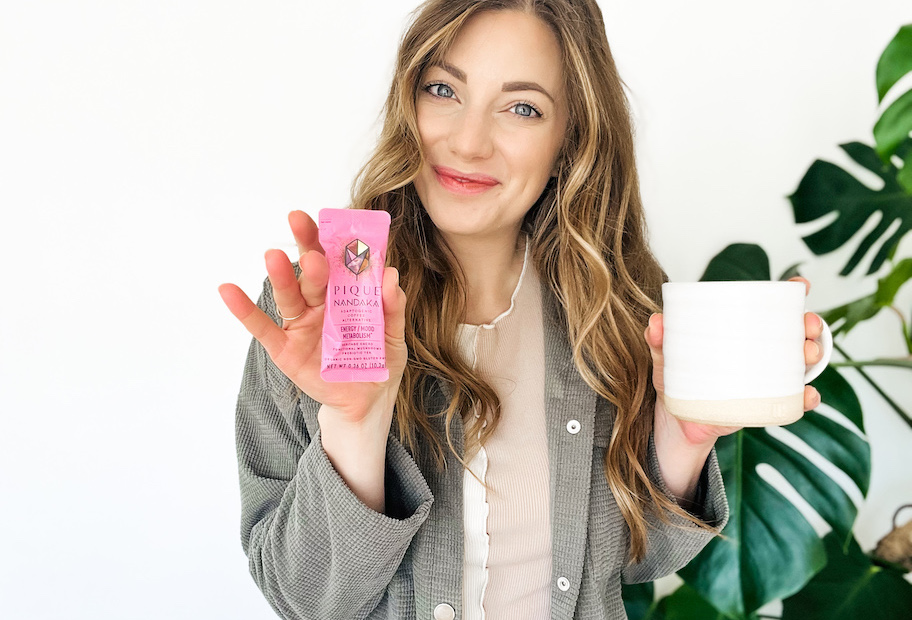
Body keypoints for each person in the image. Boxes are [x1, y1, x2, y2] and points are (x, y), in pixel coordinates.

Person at [218, 1, 827, 618]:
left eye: (521, 107)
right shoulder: (319, 310)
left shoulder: (615, 299)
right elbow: (301, 599)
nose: (467, 141)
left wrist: (685, 441)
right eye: (442, 89)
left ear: (571, 140)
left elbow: (636, 560)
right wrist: (354, 427)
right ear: (409, 102)